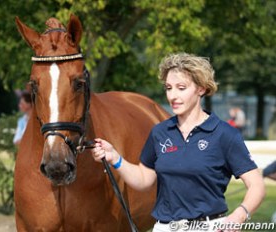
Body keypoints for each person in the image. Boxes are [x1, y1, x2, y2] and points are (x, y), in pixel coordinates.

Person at [91, 53, 265, 232]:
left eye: (181, 88)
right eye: (168, 88)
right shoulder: (159, 132)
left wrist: (239, 215)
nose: (173, 95)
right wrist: (115, 158)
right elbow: (143, 179)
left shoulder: (224, 134)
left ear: (201, 89)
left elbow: (256, 185)